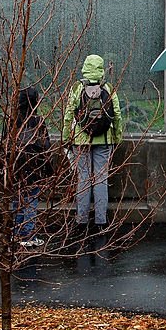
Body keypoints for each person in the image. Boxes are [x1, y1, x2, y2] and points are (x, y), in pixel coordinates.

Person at [63, 54, 122, 231]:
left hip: (81, 140)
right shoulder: (108, 87)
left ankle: (81, 220)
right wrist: (117, 136)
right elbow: (117, 114)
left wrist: (67, 138)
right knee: (100, 179)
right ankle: (101, 221)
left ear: (85, 68)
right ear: (101, 69)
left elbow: (68, 115)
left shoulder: (77, 87)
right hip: (104, 139)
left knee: (83, 178)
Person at [13, 87, 51, 248]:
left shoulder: (13, 120)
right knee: (31, 200)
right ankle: (28, 234)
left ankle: (16, 232)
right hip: (34, 165)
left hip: (16, 164)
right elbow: (45, 145)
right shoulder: (38, 121)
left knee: (17, 199)